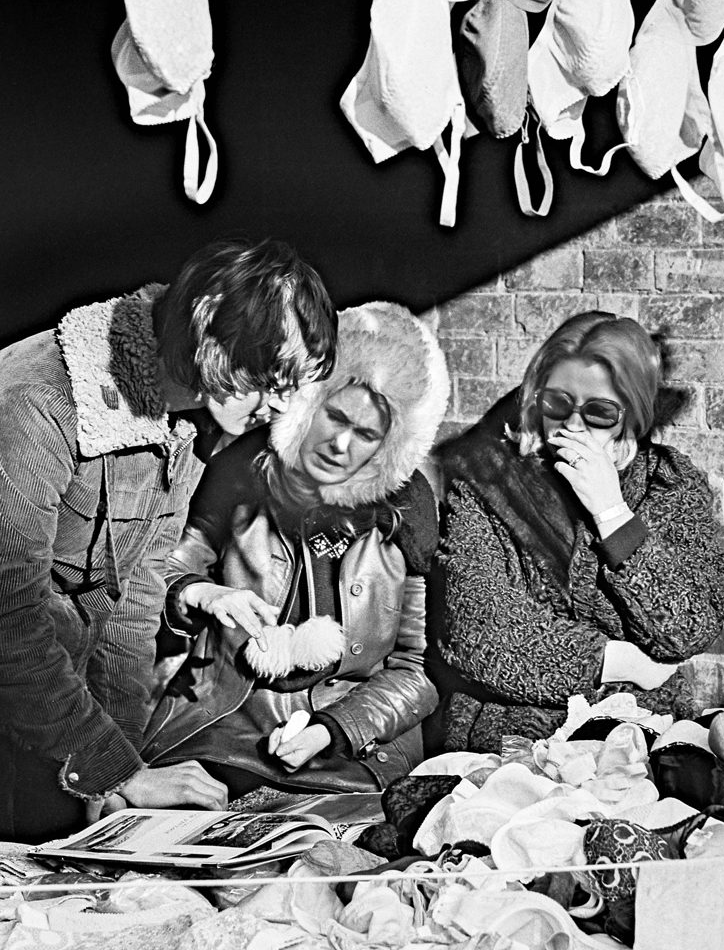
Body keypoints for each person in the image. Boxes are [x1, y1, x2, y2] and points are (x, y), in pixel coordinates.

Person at [0, 235, 337, 841]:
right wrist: (114, 769)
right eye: (267, 376)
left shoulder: (187, 415)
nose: (281, 405)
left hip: (52, 725)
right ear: (206, 327)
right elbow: (8, 618)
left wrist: (120, 772)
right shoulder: (37, 400)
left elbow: (133, 600)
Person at [141, 301, 451, 797]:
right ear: (307, 403)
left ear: (389, 447)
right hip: (223, 728)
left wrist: (336, 728)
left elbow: (419, 671)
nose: (341, 445)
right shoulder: (238, 473)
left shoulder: (408, 516)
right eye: (335, 416)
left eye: (367, 434)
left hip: (351, 754)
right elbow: (159, 575)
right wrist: (202, 594)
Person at [431, 310, 724, 754]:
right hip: (514, 743)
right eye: (556, 403)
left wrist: (613, 513)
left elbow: (692, 625)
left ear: (631, 414)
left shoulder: (666, 483)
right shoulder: (485, 482)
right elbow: (477, 633)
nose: (572, 425)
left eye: (598, 411)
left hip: (640, 738)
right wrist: (617, 660)